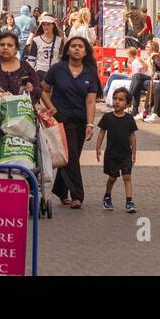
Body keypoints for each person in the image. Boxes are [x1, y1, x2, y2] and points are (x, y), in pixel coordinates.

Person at [42, 35, 101, 209]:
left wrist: (90, 125)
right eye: (73, 46)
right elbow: (43, 89)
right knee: (72, 157)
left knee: (69, 156)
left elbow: (91, 101)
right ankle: (78, 195)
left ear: (85, 52)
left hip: (81, 120)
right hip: (61, 119)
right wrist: (51, 108)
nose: (76, 49)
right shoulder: (57, 69)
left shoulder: (90, 72)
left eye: (80, 47)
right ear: (67, 50)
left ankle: (60, 190)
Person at [0, 31, 46, 129]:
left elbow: (38, 90)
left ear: (16, 48)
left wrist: (31, 89)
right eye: (2, 44)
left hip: (21, 122)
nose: (5, 47)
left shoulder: (26, 67)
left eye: (10, 45)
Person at [96, 87, 139, 213]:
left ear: (127, 104)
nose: (117, 102)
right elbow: (101, 133)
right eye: (115, 99)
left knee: (127, 177)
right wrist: (98, 148)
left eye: (121, 99)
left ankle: (129, 201)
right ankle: (107, 196)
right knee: (112, 178)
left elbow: (132, 136)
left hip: (126, 154)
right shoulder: (107, 117)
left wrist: (134, 153)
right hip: (111, 155)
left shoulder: (129, 119)